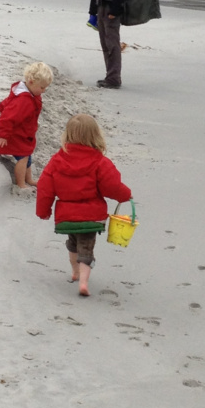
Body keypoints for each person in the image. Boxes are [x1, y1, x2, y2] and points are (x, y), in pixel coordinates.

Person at [36, 114, 132, 297]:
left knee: (73, 244)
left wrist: (43, 210)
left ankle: (75, 271)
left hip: (67, 217)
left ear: (67, 136)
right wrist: (125, 195)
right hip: (91, 216)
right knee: (86, 247)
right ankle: (83, 281)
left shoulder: (56, 161)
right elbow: (112, 186)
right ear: (96, 136)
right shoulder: (100, 162)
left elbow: (45, 187)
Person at [0, 61, 53, 189]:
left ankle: (29, 179)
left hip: (25, 133)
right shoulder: (24, 100)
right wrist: (3, 135)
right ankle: (21, 183)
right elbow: (7, 118)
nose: (43, 91)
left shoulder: (25, 91)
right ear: (31, 82)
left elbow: (9, 100)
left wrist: (1, 106)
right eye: (42, 87)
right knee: (23, 158)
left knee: (27, 155)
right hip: (15, 135)